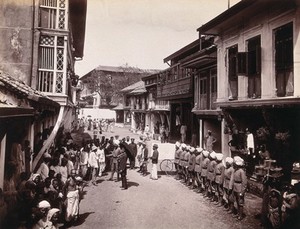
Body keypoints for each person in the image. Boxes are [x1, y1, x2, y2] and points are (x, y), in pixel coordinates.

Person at [231, 156, 247, 220]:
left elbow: (244, 182)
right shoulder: (235, 170)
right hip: (235, 187)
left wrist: (242, 191)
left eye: (234, 163)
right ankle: (238, 213)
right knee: (237, 201)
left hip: (240, 188)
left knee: (240, 202)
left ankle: (240, 215)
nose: (233, 164)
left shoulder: (241, 171)